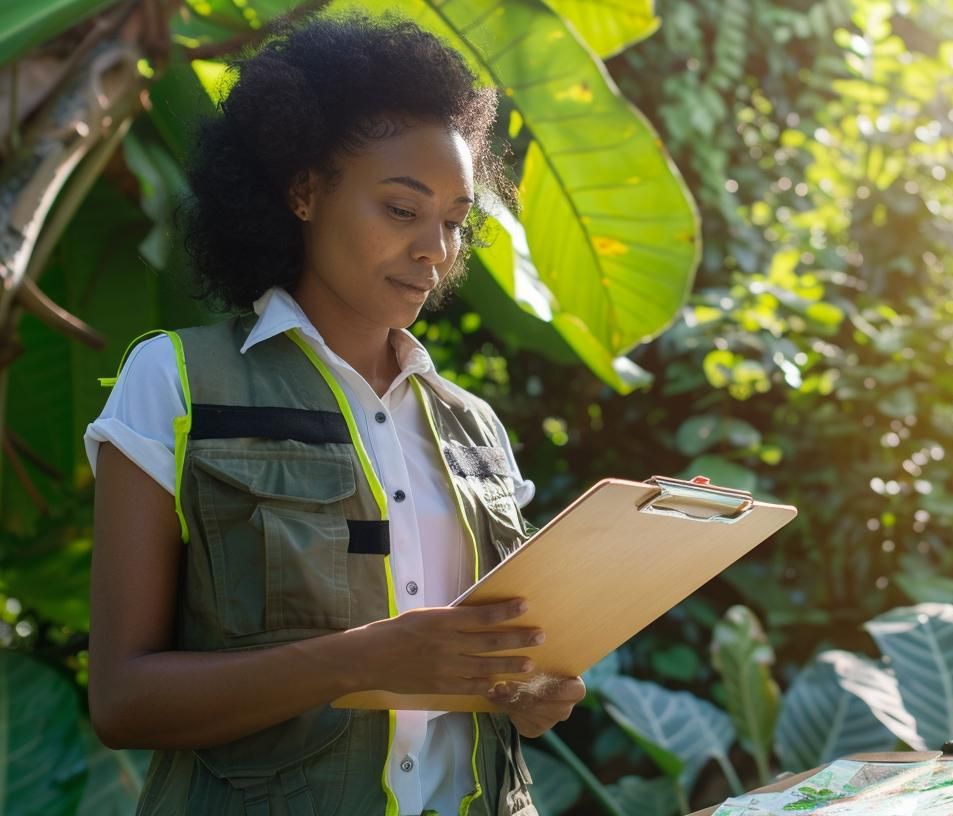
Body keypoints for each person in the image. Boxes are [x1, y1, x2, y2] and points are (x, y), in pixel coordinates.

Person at [82, 10, 583, 815]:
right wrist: (359, 661)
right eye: (401, 209)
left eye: (455, 222)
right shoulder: (177, 381)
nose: (437, 250)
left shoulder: (473, 429)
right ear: (305, 191)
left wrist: (530, 695)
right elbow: (122, 701)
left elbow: (508, 675)